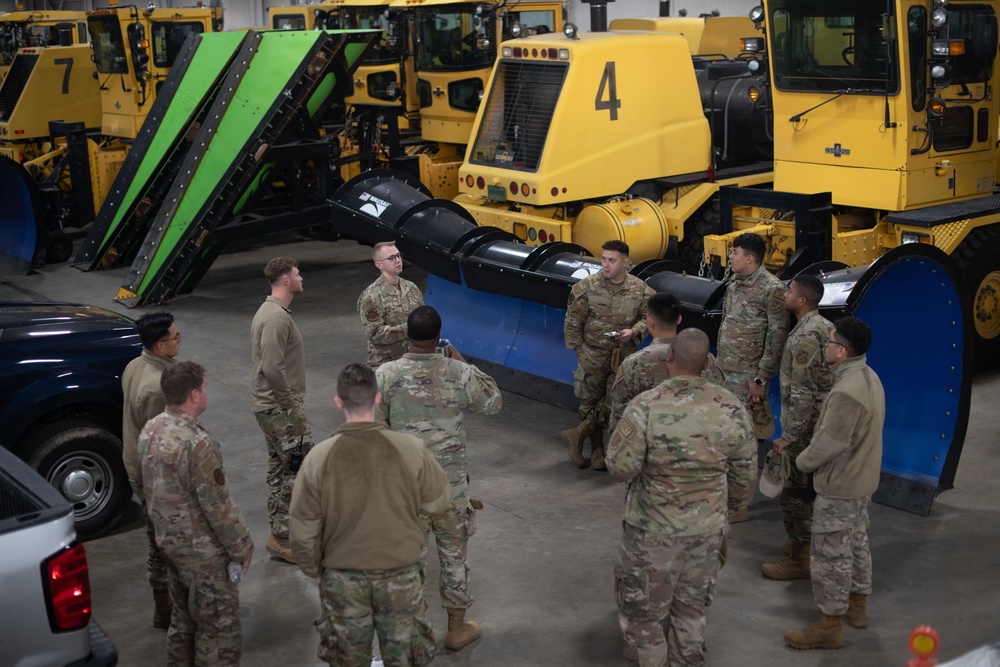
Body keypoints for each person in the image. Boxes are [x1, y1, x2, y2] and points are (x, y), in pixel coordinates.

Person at [607, 328, 756, 666]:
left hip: (651, 534)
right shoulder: (731, 408)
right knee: (691, 614)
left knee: (644, 620)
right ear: (706, 364)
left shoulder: (646, 406)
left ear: (670, 357)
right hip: (705, 536)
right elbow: (745, 481)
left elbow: (619, 467)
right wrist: (719, 511)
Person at [289, 364, 452, 667]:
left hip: (342, 576)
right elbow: (440, 502)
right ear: (378, 399)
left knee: (348, 659)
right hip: (401, 573)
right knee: (404, 658)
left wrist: (315, 569)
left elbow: (301, 528)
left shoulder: (318, 459)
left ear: (339, 402)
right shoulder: (411, 449)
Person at [375, 305, 502, 651]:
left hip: (407, 491)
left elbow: (374, 428)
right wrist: (460, 358)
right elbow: (492, 402)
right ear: (437, 336)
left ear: (407, 334)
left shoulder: (386, 375)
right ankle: (457, 630)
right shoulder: (456, 372)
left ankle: (412, 636)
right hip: (451, 489)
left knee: (408, 561)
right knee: (454, 558)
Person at [140, 361, 253, 666]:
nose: (206, 392)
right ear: (193, 395)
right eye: (204, 388)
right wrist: (242, 547)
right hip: (204, 557)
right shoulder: (197, 443)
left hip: (170, 547)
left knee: (182, 623)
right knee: (217, 636)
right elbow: (218, 506)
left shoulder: (151, 429)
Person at [784, 317, 884, 651]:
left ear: (840, 352)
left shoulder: (845, 392)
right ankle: (858, 608)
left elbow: (830, 443)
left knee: (830, 556)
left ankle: (830, 625)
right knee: (856, 545)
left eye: (828, 342)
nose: (824, 346)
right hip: (862, 480)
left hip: (840, 484)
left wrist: (802, 462)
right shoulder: (869, 376)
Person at [761, 274, 833, 580]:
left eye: (789, 291)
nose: (785, 294)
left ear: (802, 300)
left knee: (793, 490)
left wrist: (789, 436)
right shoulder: (824, 326)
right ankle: (800, 544)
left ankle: (801, 558)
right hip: (819, 422)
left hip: (804, 428)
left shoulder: (805, 336)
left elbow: (803, 390)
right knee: (804, 489)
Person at [562, 239, 654, 470]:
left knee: (616, 403)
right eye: (603, 259)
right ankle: (597, 451)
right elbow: (573, 323)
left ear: (626, 262)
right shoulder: (586, 288)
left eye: (612, 260)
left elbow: (649, 319)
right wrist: (581, 353)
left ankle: (577, 435)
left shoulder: (641, 290)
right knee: (589, 403)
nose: (606, 265)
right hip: (592, 355)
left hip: (623, 356)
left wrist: (634, 331)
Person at [715, 232, 789, 521]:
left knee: (744, 442)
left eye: (735, 252)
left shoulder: (772, 289)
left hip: (748, 376)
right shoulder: (734, 281)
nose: (730, 256)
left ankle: (739, 505)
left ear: (750, 257)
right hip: (724, 371)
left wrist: (761, 379)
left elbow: (777, 335)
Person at [250, 256, 313, 564]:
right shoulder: (276, 318)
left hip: (272, 409)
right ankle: (285, 537)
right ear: (286, 280)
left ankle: (279, 533)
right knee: (296, 471)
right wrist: (291, 407)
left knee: (280, 468)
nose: (302, 279)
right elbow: (273, 368)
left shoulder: (273, 312)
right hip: (280, 410)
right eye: (298, 275)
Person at [121, 311, 181, 628]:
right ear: (160, 345)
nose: (179, 341)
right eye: (175, 337)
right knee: (163, 544)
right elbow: (162, 445)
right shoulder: (157, 388)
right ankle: (166, 610)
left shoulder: (135, 364)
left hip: (136, 464)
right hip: (155, 478)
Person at [607, 292, 725, 432]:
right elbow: (719, 405)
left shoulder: (634, 363)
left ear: (650, 322)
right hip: (697, 443)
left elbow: (620, 416)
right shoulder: (707, 359)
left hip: (651, 444)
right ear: (679, 319)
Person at [357, 241, 424, 369]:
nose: (398, 260)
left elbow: (423, 318)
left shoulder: (411, 288)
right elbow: (375, 334)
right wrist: (409, 328)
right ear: (379, 264)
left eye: (398, 255)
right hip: (386, 366)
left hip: (412, 362)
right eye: (391, 258)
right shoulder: (372, 297)